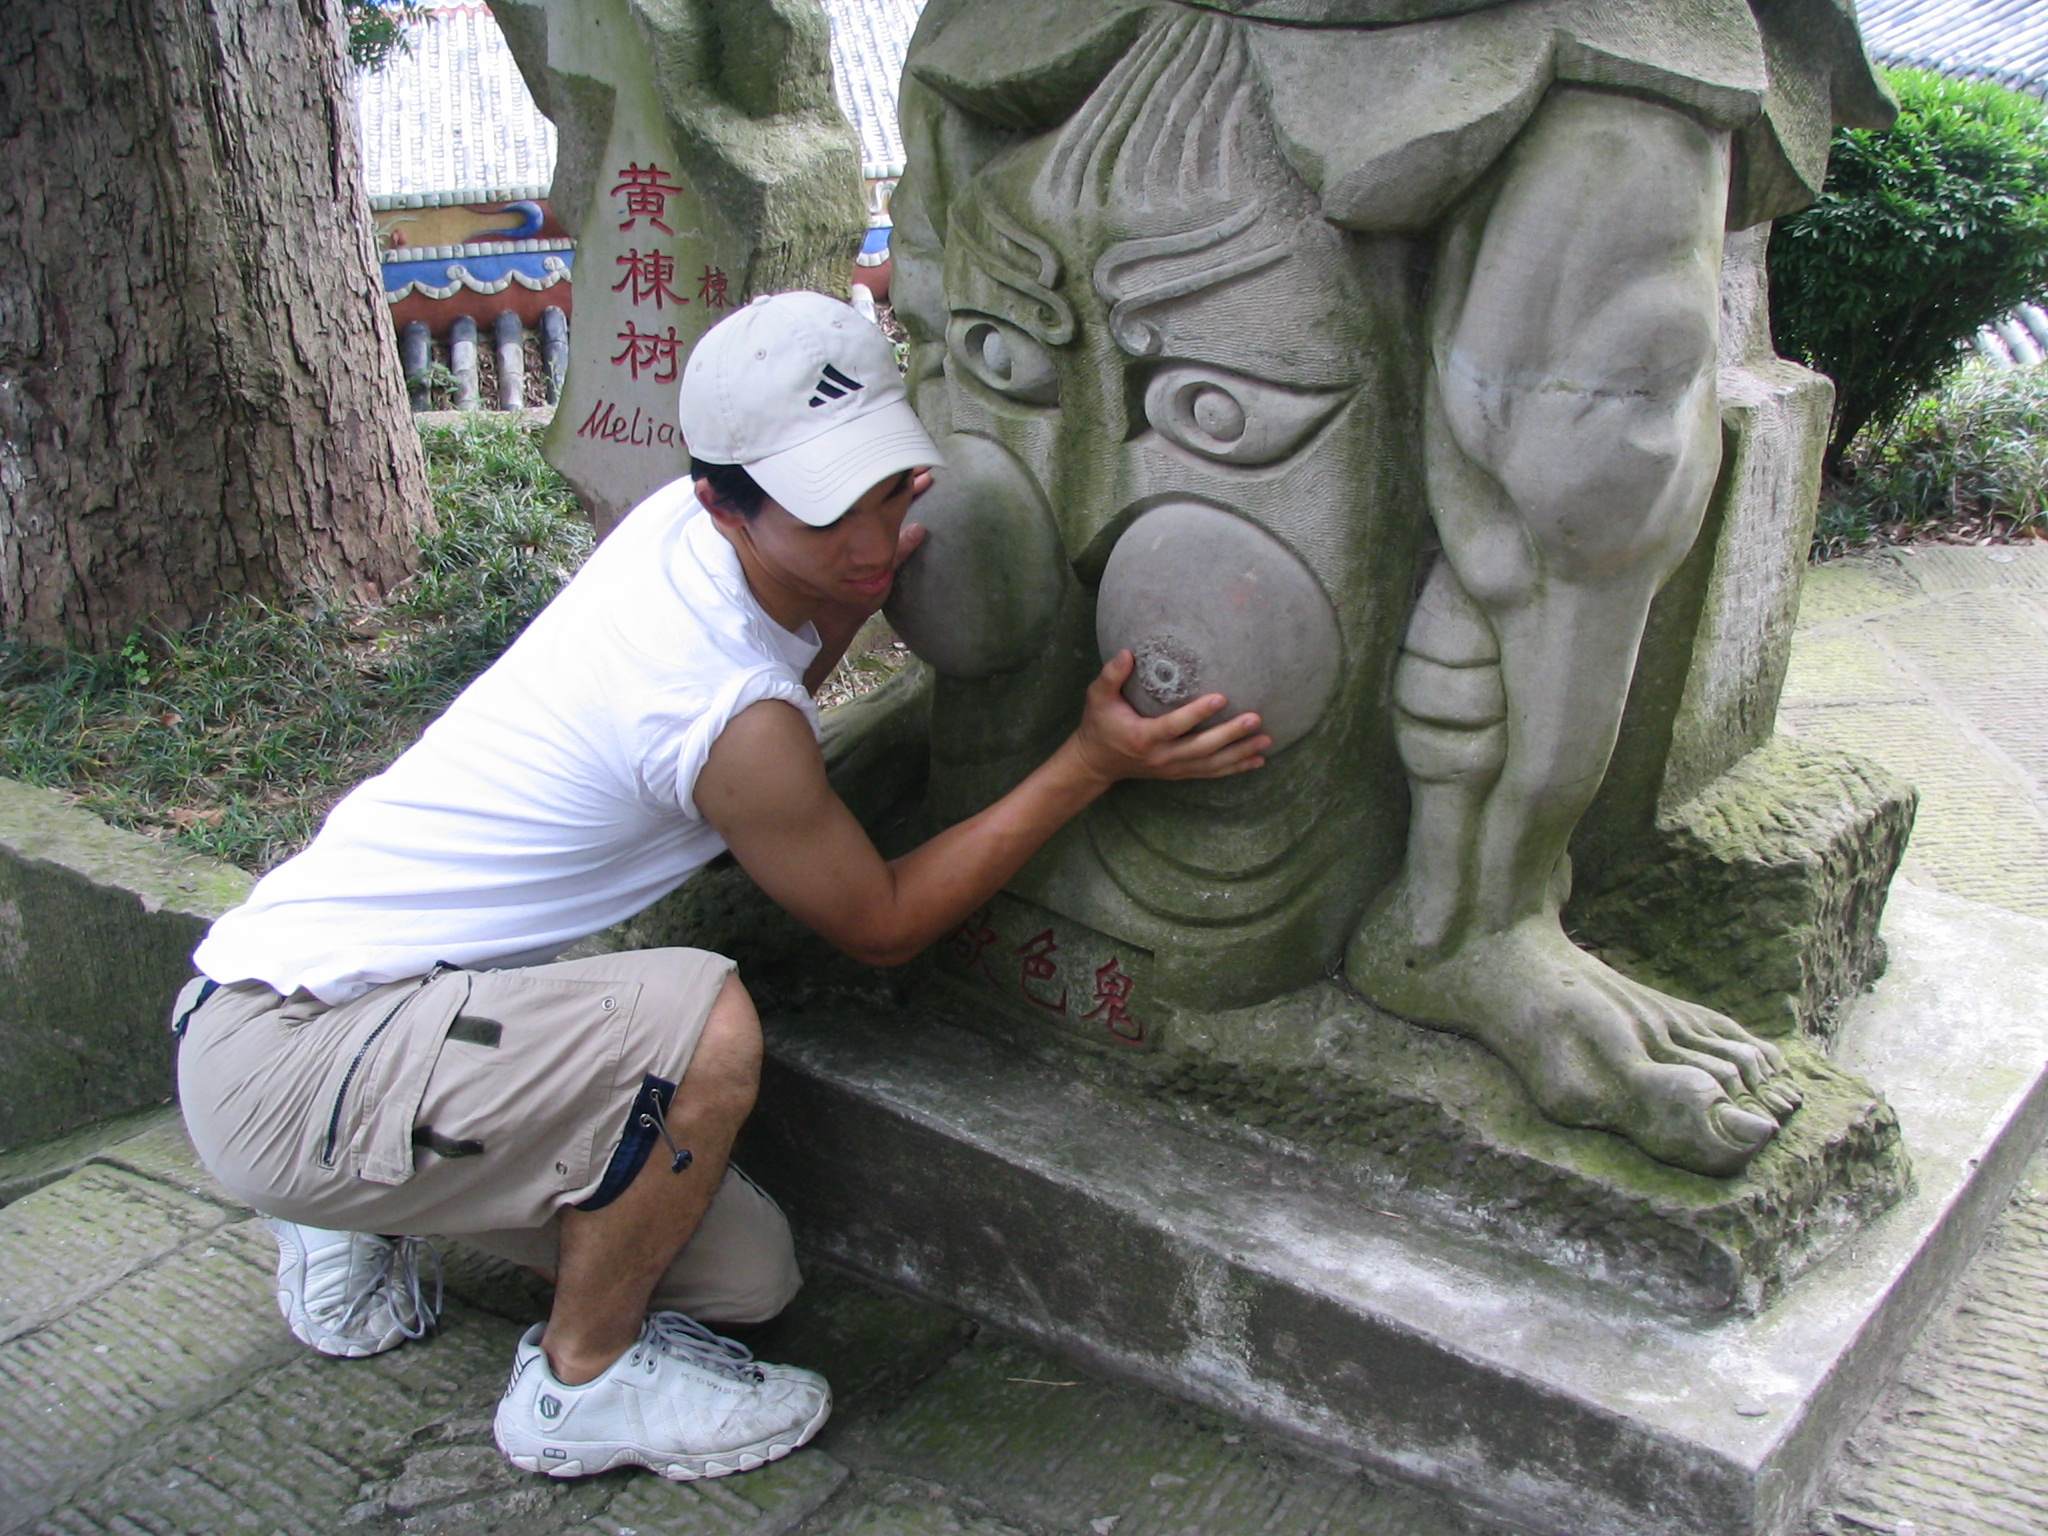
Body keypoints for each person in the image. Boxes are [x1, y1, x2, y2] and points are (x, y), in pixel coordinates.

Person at [172, 291, 1269, 1484]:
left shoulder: (678, 536)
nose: (873, 541)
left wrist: (844, 589)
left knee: (742, 1282)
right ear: (722, 501)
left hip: (383, 1009)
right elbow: (882, 924)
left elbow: (787, 644)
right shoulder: (722, 715)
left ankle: (368, 1191)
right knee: (699, 1024)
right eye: (826, 512)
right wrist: (1091, 762)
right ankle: (576, 1383)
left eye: (889, 488)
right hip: (287, 1047)